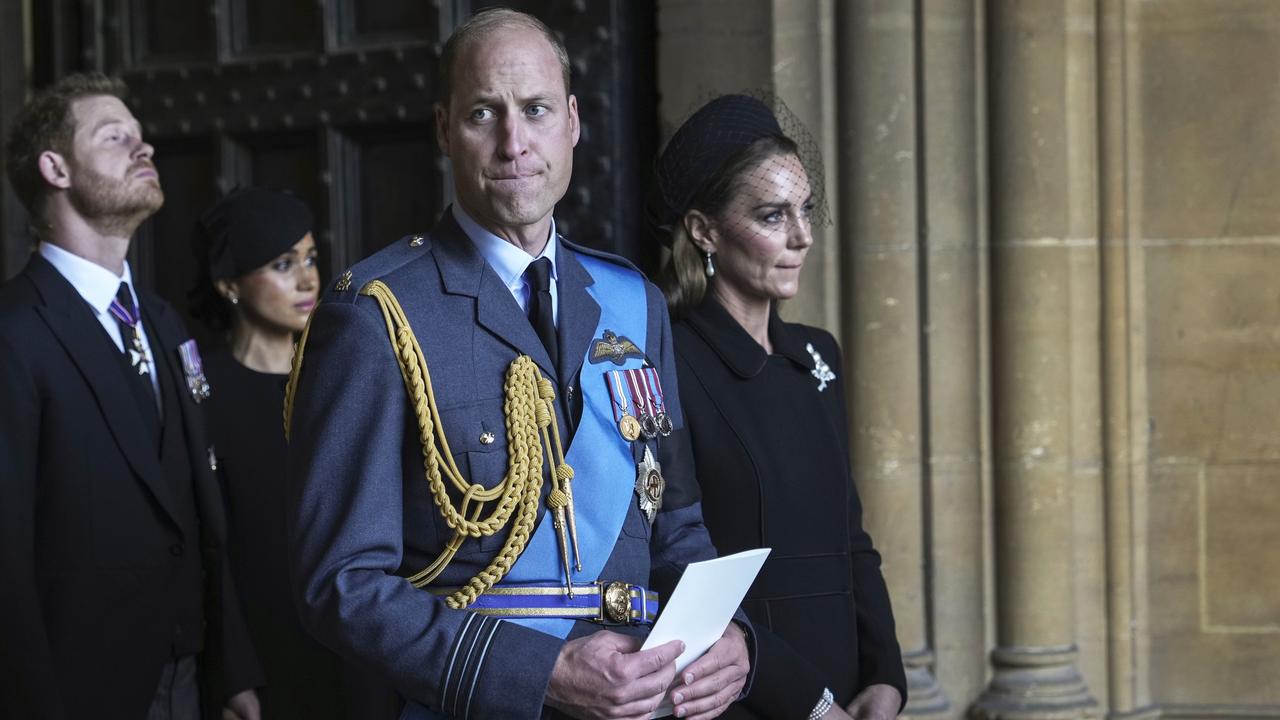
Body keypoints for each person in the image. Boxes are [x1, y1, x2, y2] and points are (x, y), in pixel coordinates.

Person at [285, 9, 752, 720]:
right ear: (445, 130)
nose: (514, 142)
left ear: (571, 122)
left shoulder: (634, 301)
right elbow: (341, 584)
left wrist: (731, 640)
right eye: (483, 114)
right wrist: (542, 674)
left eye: (534, 110)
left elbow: (677, 524)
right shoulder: (378, 315)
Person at [0, 72, 262, 719]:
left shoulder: (162, 320)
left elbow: (199, 511)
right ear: (55, 167)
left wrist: (230, 670)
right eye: (115, 138)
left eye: (142, 137)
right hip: (78, 692)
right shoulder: (13, 333)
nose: (143, 149)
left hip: (190, 681)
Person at [651, 94, 909, 720]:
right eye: (773, 216)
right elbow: (677, 565)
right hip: (742, 696)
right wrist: (808, 704)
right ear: (704, 231)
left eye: (806, 210)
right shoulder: (668, 362)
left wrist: (886, 677)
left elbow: (851, 537)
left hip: (847, 687)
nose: (802, 237)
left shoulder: (817, 357)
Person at [189, 187, 346, 717]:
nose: (308, 279)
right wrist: (232, 674)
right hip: (259, 654)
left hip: (354, 650)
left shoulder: (341, 378)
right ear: (230, 283)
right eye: (283, 264)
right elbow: (204, 549)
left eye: (310, 259)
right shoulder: (200, 393)